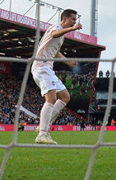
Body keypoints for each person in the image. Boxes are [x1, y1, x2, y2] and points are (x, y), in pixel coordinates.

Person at [31, 8, 80, 144]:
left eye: (75, 20)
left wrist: (68, 62)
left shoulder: (61, 35)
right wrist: (72, 29)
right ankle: (42, 134)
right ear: (64, 19)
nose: (74, 22)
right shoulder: (56, 28)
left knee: (65, 97)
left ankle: (43, 126)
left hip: (48, 68)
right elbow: (54, 34)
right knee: (51, 98)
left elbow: (56, 52)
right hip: (41, 67)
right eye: (73, 19)